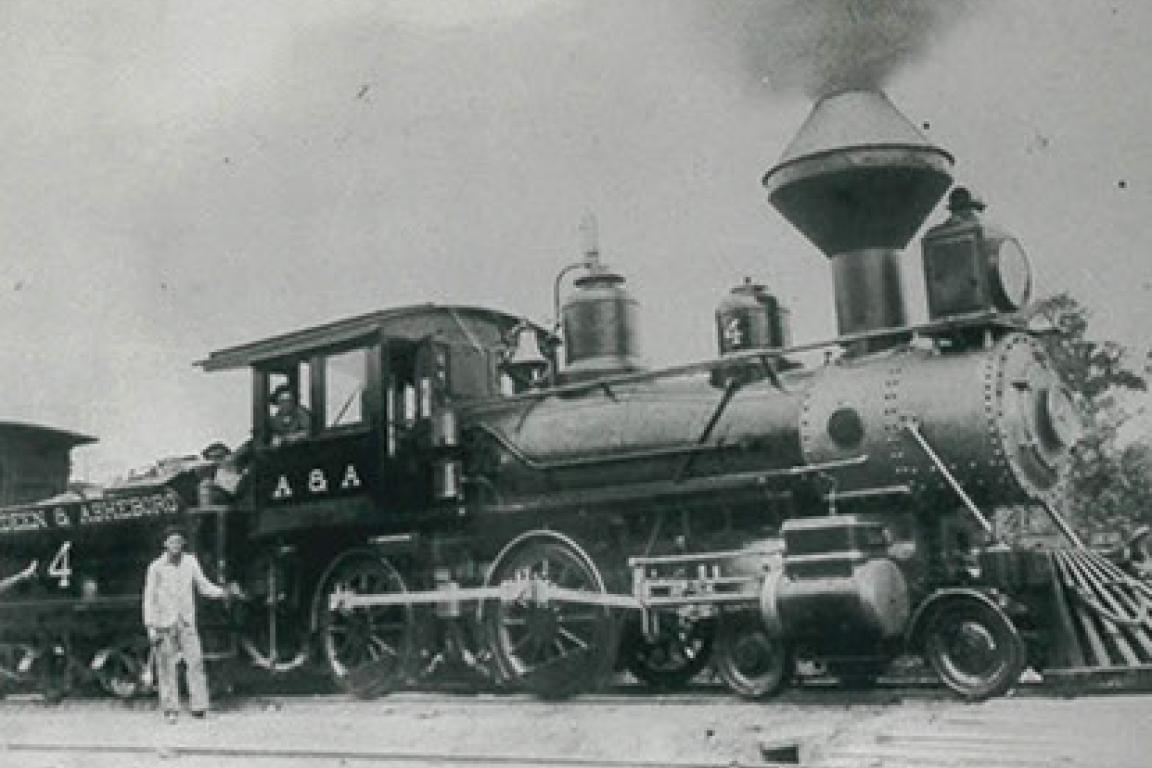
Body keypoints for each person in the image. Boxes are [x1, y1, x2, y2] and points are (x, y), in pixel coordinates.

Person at [142, 526, 229, 723]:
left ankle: (199, 706)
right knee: (166, 668)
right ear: (165, 544)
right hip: (165, 623)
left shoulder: (190, 562)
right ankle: (170, 709)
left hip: (187, 622)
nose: (176, 545)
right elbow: (149, 598)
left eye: (179, 542)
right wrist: (151, 626)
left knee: (195, 663)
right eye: (172, 542)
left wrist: (223, 592)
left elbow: (203, 586)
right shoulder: (155, 567)